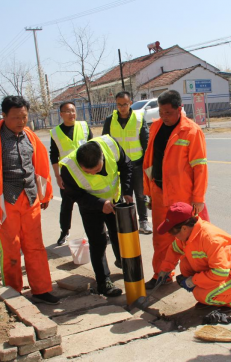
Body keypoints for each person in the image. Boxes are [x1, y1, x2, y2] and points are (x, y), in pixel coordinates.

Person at [0, 95, 59, 305]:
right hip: (5, 203)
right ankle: (13, 293)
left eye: (24, 117)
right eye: (16, 118)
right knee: (10, 249)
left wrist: (44, 193)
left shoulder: (30, 137)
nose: (21, 122)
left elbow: (40, 167)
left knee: (36, 247)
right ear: (3, 116)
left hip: (30, 200)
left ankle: (41, 290)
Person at [143, 90, 210, 289]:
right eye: (161, 112)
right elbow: (150, 160)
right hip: (158, 191)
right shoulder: (156, 127)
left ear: (179, 109)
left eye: (168, 113)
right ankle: (161, 274)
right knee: (161, 237)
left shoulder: (192, 131)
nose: (163, 117)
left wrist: (198, 198)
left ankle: (196, 277)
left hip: (183, 196)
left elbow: (200, 167)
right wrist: (148, 189)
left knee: (188, 239)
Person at [59, 135, 133, 297]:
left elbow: (126, 165)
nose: (93, 174)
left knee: (118, 233)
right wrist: (100, 204)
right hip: (90, 206)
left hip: (114, 200)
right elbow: (75, 195)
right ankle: (103, 282)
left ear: (102, 158)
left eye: (97, 170)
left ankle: (122, 262)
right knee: (98, 241)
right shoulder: (68, 167)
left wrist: (127, 191)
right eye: (88, 172)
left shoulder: (110, 146)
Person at [156, 202, 231, 311]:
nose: (174, 237)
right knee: (185, 265)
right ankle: (214, 294)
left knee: (201, 294)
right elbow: (174, 250)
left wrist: (193, 281)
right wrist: (165, 270)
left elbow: (220, 272)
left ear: (184, 228)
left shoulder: (211, 239)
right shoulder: (188, 234)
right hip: (220, 269)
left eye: (174, 233)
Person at [102, 91, 152, 234]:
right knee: (120, 195)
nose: (122, 107)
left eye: (125, 104)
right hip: (117, 165)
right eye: (119, 104)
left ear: (130, 103)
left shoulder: (138, 118)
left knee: (141, 194)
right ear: (116, 104)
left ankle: (143, 222)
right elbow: (104, 142)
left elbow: (145, 141)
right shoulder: (110, 120)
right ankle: (123, 223)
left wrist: (146, 163)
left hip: (137, 164)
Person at [50, 101, 93, 246]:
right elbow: (54, 155)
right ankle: (64, 232)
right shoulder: (55, 132)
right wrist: (57, 176)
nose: (71, 114)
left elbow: (95, 147)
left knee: (88, 205)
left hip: (86, 174)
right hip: (67, 176)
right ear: (61, 114)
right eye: (67, 111)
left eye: (73, 110)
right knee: (67, 206)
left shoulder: (84, 126)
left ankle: (92, 232)